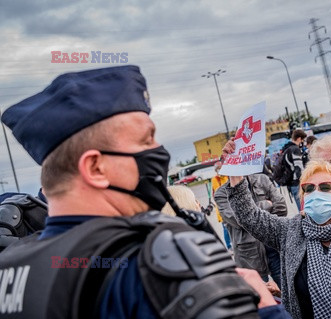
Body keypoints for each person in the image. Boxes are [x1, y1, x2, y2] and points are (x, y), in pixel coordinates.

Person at [0, 65, 290, 319]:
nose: (159, 152)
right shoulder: (160, 263)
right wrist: (266, 309)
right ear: (95, 168)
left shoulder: (13, 270)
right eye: (146, 139)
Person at [224, 138, 331, 318]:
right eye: (308, 188)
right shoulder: (291, 231)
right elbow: (250, 216)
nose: (316, 193)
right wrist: (235, 171)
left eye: (325, 187)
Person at [215, 173, 287, 287]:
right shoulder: (221, 193)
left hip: (275, 251)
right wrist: (266, 204)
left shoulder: (262, 179)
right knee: (262, 299)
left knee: (289, 293)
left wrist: (250, 212)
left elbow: (282, 207)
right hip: (250, 257)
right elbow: (237, 220)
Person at [272, 129, 307, 210]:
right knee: (303, 209)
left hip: (291, 183)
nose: (303, 142)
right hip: (297, 183)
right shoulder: (295, 149)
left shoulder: (286, 149)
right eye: (303, 140)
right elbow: (299, 168)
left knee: (301, 208)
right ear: (299, 139)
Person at [211, 161, 232, 250]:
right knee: (226, 227)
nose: (220, 170)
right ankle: (229, 246)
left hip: (231, 204)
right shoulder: (215, 179)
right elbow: (216, 192)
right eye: (218, 169)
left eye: (221, 168)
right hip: (222, 207)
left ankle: (234, 244)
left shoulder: (228, 176)